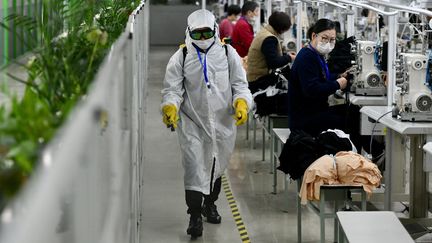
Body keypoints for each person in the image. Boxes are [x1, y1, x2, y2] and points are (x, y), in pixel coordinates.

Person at [160, 9, 252, 239]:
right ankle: (194, 216)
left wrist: (242, 102)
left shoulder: (228, 53)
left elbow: (240, 84)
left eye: (207, 34)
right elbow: (172, 89)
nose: (202, 40)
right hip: (193, 122)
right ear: (189, 32)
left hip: (222, 122)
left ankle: (210, 204)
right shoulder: (180, 57)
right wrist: (170, 106)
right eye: (197, 34)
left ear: (215, 31)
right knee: (193, 167)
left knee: (216, 165)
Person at [287, 19, 357, 141]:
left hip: (312, 113)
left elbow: (322, 76)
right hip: (304, 121)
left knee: (353, 112)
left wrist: (338, 76)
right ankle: (353, 156)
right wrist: (337, 84)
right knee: (351, 120)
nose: (328, 43)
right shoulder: (307, 58)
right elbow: (312, 90)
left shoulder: (315, 54)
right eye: (325, 38)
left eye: (332, 40)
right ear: (314, 35)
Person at [247, 11, 296, 92]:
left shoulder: (265, 32)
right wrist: (289, 58)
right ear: (280, 28)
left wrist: (285, 55)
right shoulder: (269, 39)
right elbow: (274, 63)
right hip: (259, 81)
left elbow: (270, 54)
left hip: (255, 78)